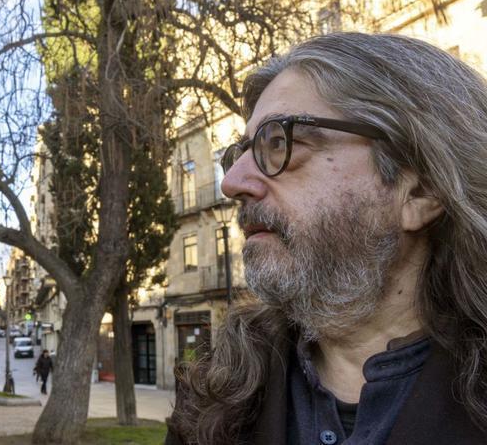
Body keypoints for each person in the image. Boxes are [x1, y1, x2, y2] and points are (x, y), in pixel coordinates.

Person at [166, 32, 487, 445]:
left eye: (279, 141)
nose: (233, 182)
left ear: (421, 191)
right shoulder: (214, 401)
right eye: (240, 154)